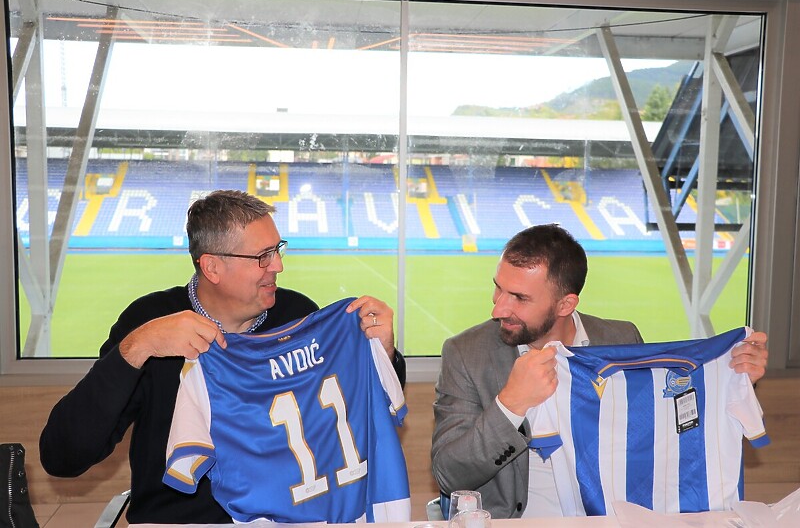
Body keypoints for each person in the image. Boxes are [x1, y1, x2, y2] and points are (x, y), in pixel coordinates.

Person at [39, 189, 406, 525]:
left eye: (278, 249)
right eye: (263, 256)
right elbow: (63, 456)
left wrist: (384, 351)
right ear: (211, 266)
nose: (278, 266)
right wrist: (137, 348)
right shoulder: (152, 323)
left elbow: (362, 412)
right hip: (182, 523)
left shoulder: (296, 316)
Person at [431, 224, 769, 519]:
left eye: (519, 297)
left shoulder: (620, 339)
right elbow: (449, 475)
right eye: (498, 287)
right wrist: (510, 405)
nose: (498, 307)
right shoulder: (466, 353)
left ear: (566, 304)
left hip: (608, 519)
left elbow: (661, 428)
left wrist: (734, 379)